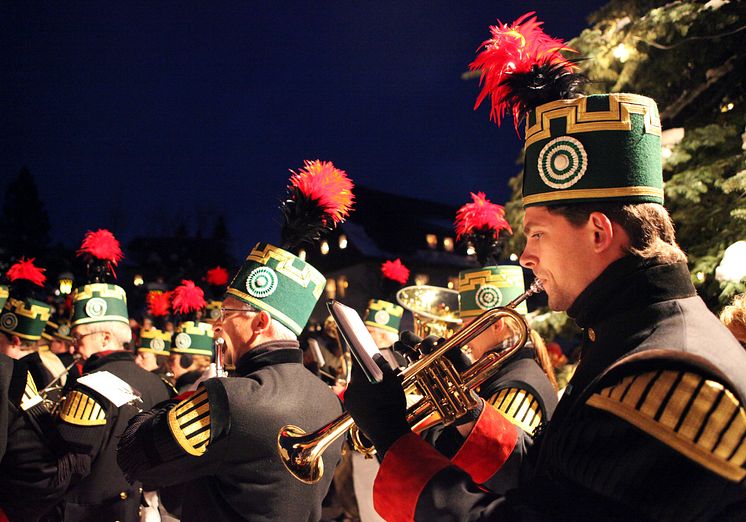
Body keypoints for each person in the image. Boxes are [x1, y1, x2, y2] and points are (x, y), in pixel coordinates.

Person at [343, 14, 746, 521]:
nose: (526, 255)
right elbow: (557, 474)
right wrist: (458, 416)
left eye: (537, 233)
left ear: (599, 232)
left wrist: (394, 440)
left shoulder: (666, 372)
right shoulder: (632, 338)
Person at [117, 160, 355, 521]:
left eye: (227, 314)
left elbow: (135, 457)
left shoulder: (234, 398)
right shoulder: (326, 397)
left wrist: (188, 399)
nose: (217, 325)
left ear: (260, 321)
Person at [54, 229, 171, 520]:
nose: (74, 345)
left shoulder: (89, 385)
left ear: (105, 338)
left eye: (80, 336)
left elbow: (67, 468)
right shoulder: (159, 385)